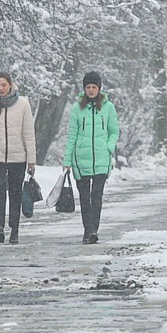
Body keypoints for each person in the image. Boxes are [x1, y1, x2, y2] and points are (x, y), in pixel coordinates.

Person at [0, 72, 36, 244]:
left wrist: (31, 159)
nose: (1, 89)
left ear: (11, 85)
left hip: (17, 156)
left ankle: (15, 229)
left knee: (15, 193)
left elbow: (28, 133)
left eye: (4, 85)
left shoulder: (23, 104)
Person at [63, 71, 119, 244]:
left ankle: (93, 229)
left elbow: (114, 131)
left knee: (97, 196)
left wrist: (108, 147)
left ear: (99, 88)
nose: (91, 90)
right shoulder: (77, 108)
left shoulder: (108, 107)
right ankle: (88, 230)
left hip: (102, 159)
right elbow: (71, 135)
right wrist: (67, 160)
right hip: (81, 159)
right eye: (88, 87)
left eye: (94, 87)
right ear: (84, 89)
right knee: (85, 197)